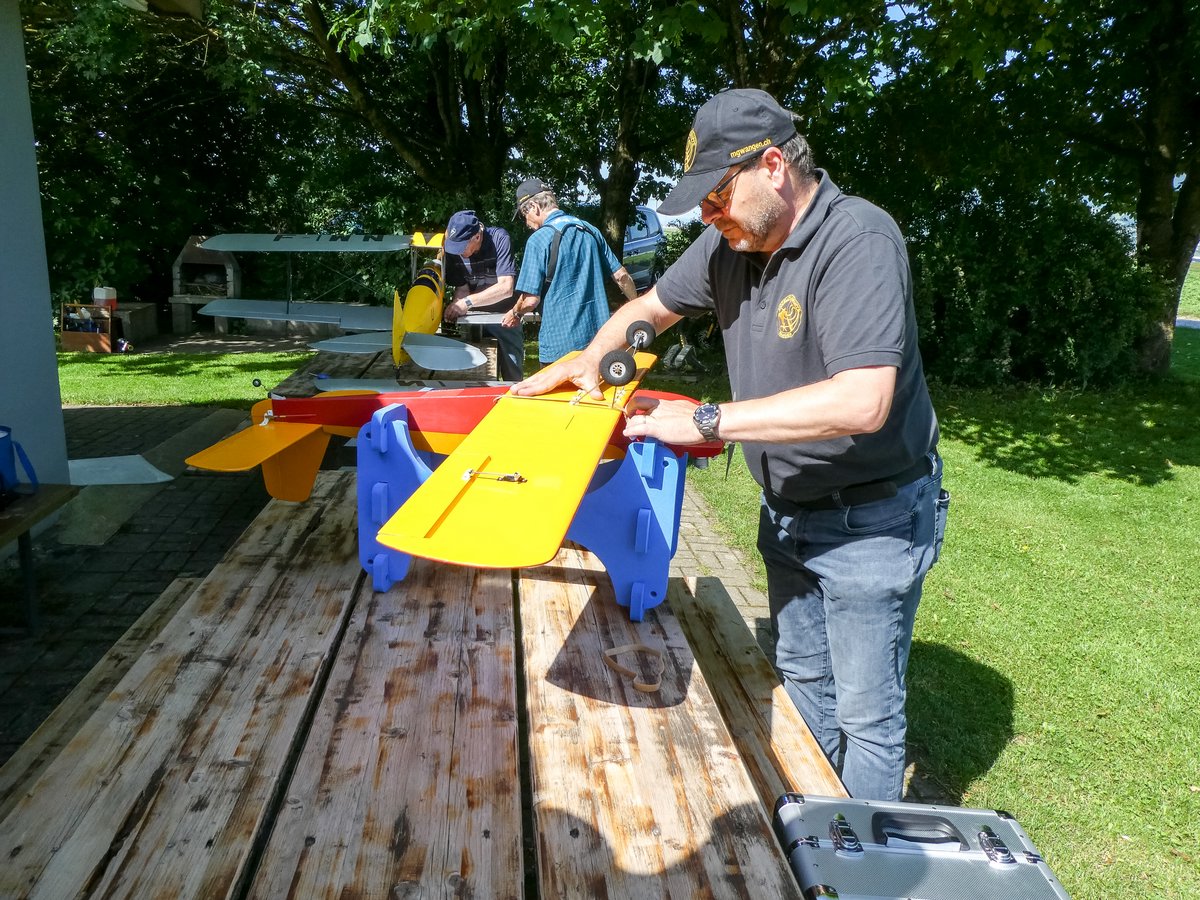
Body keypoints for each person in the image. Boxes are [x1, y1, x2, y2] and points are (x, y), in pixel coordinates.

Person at [512, 88, 949, 801]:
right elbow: (650, 309)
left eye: (717, 197)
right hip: (789, 508)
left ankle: (862, 859)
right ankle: (812, 822)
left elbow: (862, 400)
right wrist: (581, 362)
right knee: (803, 678)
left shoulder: (857, 240)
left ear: (773, 165)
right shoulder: (729, 246)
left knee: (869, 714)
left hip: (873, 516)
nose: (709, 218)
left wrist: (710, 422)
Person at [503, 178, 638, 364]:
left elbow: (530, 300)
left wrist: (515, 313)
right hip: (599, 343)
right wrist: (638, 308)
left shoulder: (539, 240)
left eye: (523, 215)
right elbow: (622, 276)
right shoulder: (590, 230)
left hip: (559, 347)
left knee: (559, 394)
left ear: (534, 206)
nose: (526, 222)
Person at [441, 209, 525, 381]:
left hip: (505, 316)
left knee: (513, 374)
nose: (457, 252)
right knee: (475, 374)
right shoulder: (454, 249)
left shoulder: (499, 239)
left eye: (461, 247)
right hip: (473, 318)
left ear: (477, 237)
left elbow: (506, 287)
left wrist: (466, 303)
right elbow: (463, 289)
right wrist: (455, 306)